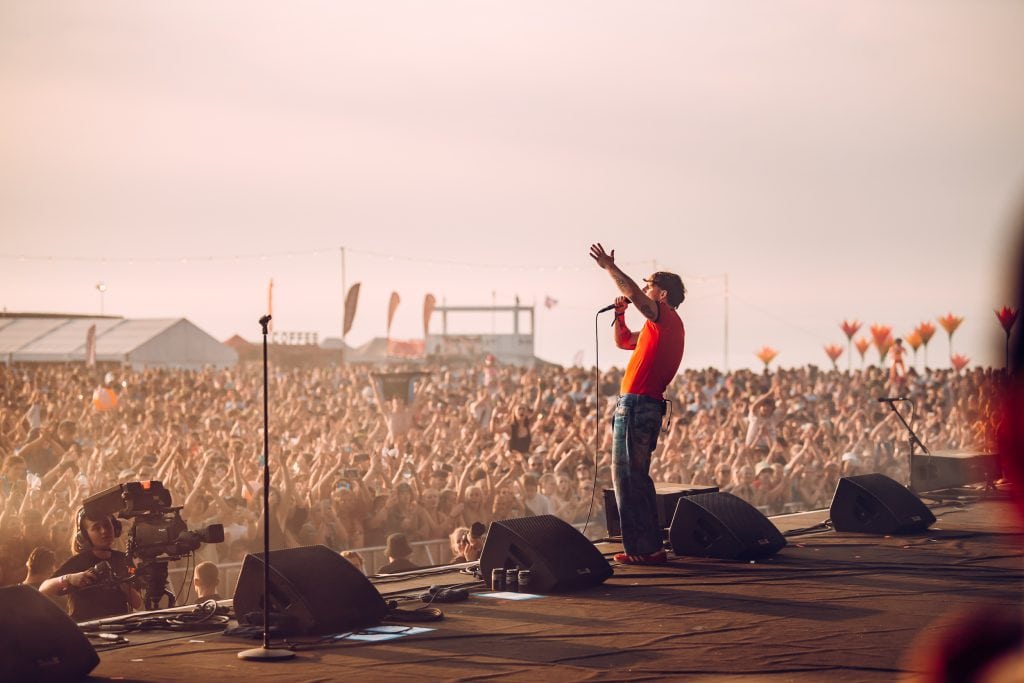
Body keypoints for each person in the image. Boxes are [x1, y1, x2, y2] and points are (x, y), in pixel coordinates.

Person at [590, 243, 686, 564]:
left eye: (651, 286)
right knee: (636, 477)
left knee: (627, 477)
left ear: (662, 294)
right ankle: (649, 547)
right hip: (644, 404)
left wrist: (609, 268)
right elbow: (623, 342)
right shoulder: (656, 328)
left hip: (638, 404)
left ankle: (642, 550)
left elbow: (632, 291)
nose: (645, 289)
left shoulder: (665, 318)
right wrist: (619, 314)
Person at [39, 509, 142, 621]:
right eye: (96, 528)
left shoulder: (124, 559)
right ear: (84, 536)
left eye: (107, 525)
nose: (104, 531)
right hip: (87, 630)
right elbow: (43, 589)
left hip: (120, 626)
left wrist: (124, 585)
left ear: (115, 527)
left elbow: (137, 604)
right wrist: (69, 579)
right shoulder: (78, 562)